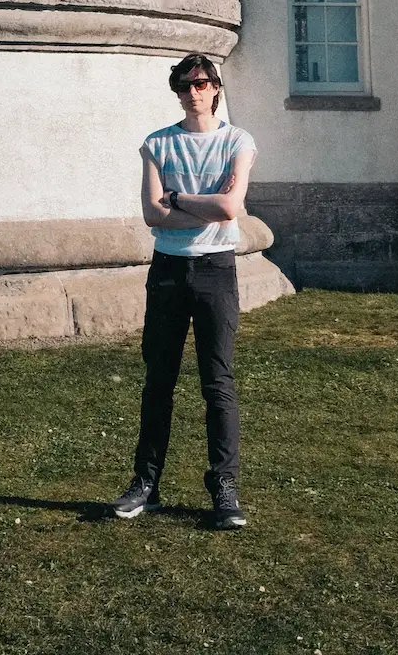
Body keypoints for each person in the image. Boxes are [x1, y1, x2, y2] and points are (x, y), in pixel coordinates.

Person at [111, 52, 256, 531]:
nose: (192, 92)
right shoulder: (157, 144)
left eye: (200, 83)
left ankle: (224, 487)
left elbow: (230, 207)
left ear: (216, 88)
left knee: (217, 383)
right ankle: (145, 483)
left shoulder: (238, 140)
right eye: (183, 85)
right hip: (169, 270)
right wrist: (202, 205)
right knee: (159, 382)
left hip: (216, 270)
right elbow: (152, 215)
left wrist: (175, 197)